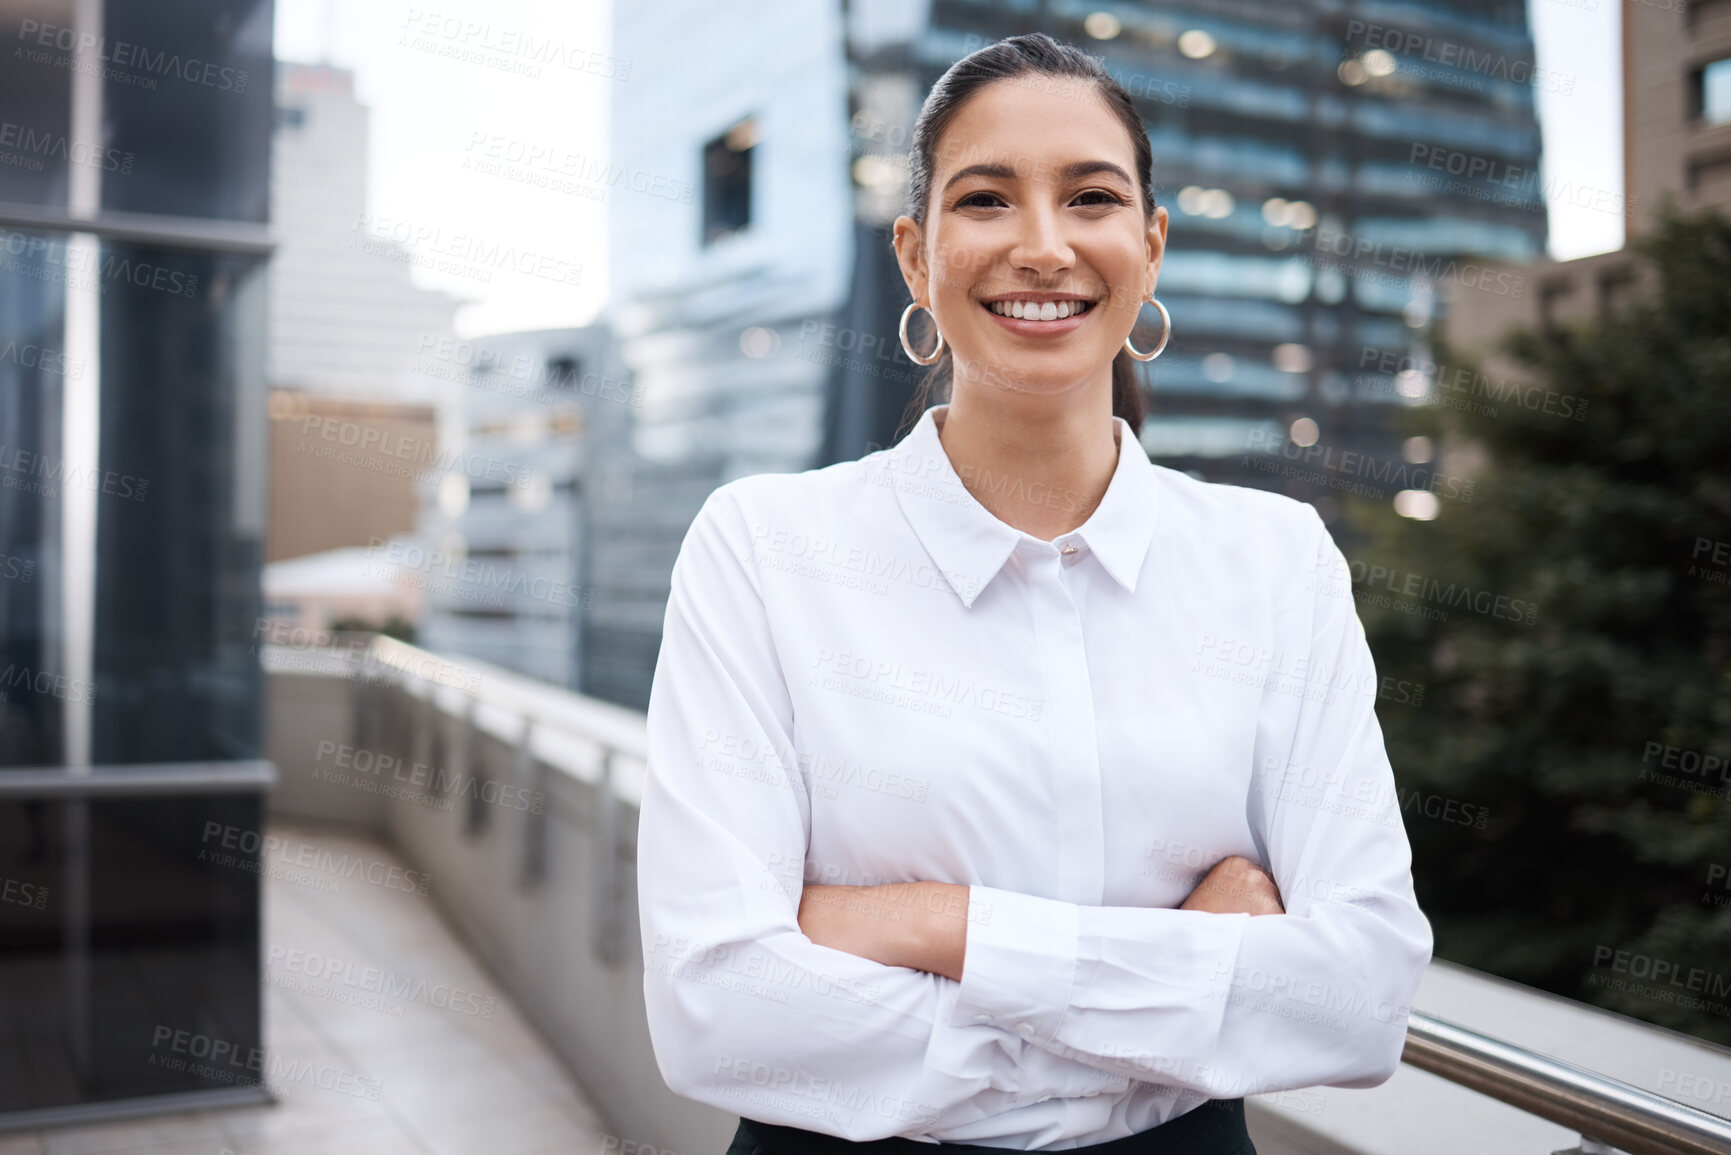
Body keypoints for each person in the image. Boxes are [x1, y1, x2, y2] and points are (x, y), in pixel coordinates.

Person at [637, 31, 1433, 1155]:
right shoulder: (766, 548)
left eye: (1092, 196)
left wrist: (932, 925)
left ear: (1150, 248)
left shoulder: (1275, 560)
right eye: (987, 200)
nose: (1044, 245)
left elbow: (1357, 999)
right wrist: (1172, 992)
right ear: (916, 257)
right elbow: (719, 1012)